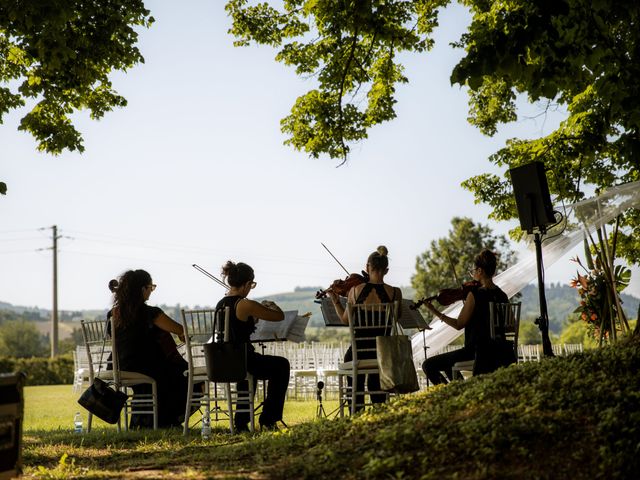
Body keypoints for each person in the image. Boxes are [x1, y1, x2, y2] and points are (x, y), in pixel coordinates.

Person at [108, 269, 191, 428]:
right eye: (150, 287)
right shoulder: (151, 313)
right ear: (142, 289)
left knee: (169, 375)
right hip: (143, 367)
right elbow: (180, 329)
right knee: (183, 374)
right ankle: (166, 420)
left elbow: (118, 341)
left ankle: (152, 420)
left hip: (118, 365)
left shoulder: (113, 313)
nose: (151, 292)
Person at [215, 261, 290, 432]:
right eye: (252, 284)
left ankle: (241, 422)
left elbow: (236, 327)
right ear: (247, 283)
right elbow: (278, 316)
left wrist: (252, 319)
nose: (251, 288)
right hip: (242, 358)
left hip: (223, 359)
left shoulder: (221, 303)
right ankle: (269, 418)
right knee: (281, 365)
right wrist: (271, 306)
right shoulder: (245, 304)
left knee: (252, 371)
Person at [328, 245, 402, 411]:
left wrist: (335, 301)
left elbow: (346, 320)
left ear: (367, 267)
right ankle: (380, 409)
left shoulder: (355, 292)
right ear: (386, 270)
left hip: (359, 352)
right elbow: (396, 318)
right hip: (383, 351)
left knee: (352, 370)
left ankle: (357, 411)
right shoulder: (396, 293)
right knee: (375, 377)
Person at [421, 249, 509, 385]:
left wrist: (436, 312)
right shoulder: (502, 295)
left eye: (473, 270)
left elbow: (458, 324)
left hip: (476, 351)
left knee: (428, 365)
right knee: (447, 364)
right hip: (501, 350)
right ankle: (461, 389)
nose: (472, 273)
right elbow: (510, 325)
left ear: (480, 271)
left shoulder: (475, 295)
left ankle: (452, 393)